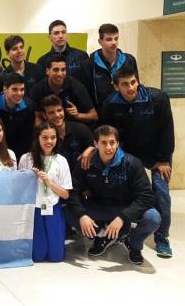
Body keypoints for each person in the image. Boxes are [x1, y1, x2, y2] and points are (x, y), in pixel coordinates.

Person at [101, 67, 175, 258]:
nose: (130, 87)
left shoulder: (158, 98)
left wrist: (163, 159)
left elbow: (167, 130)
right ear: (116, 86)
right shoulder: (110, 104)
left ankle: (162, 237)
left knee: (161, 193)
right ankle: (124, 229)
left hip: (157, 152)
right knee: (125, 190)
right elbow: (109, 133)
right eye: (125, 84)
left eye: (133, 82)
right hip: (129, 152)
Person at [67, 125, 161, 265]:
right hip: (101, 207)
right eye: (103, 143)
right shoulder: (86, 163)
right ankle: (103, 236)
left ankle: (133, 243)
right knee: (66, 210)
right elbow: (73, 192)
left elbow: (147, 196)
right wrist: (82, 215)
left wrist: (123, 217)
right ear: (95, 144)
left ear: (118, 143)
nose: (108, 147)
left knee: (153, 218)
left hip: (126, 208)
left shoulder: (132, 163)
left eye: (112, 142)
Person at [18, 121, 72, 262]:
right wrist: (29, 177)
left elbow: (65, 194)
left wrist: (49, 183)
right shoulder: (26, 159)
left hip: (52, 208)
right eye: (45, 137)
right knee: (37, 256)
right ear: (38, 138)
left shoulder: (61, 161)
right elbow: (18, 188)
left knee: (56, 257)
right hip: (34, 209)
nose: (49, 141)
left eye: (53, 137)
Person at [77, 23, 138, 111]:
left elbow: (137, 86)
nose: (114, 42)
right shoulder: (89, 64)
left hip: (126, 112)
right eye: (109, 39)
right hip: (101, 116)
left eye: (116, 39)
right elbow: (86, 94)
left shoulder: (129, 60)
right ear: (100, 42)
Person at [31, 54, 98, 124]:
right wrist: (43, 132)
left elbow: (94, 116)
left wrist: (78, 115)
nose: (60, 74)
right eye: (56, 70)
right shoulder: (38, 89)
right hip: (50, 129)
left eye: (63, 70)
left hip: (73, 128)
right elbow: (38, 117)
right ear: (47, 71)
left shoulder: (76, 86)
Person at [0, 73, 36, 158]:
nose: (19, 93)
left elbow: (28, 138)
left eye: (22, 89)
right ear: (5, 89)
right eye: (15, 89)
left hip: (20, 153)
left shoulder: (29, 106)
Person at [41, 95, 93, 174]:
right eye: (51, 112)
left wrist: (92, 148)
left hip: (83, 178)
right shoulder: (41, 137)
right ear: (44, 116)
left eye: (59, 110)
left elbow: (97, 145)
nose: (57, 115)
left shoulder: (80, 128)